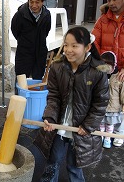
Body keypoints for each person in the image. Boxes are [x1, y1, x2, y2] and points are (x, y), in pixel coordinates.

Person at [33, 27, 109, 182]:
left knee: (74, 165)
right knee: (53, 160)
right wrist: (50, 117)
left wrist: (88, 126)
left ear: (87, 47)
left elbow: (100, 104)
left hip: (81, 129)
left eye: (74, 46)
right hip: (60, 126)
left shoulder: (98, 72)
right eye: (66, 45)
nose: (68, 50)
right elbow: (53, 96)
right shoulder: (57, 67)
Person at [92, 0, 124, 146]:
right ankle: (104, 132)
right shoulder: (102, 20)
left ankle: (120, 132)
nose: (110, 3)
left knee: (121, 101)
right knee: (105, 100)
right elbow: (93, 42)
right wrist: (100, 63)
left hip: (122, 70)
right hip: (105, 69)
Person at [11, 0, 51, 80]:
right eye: (31, 2)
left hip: (40, 52)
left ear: (42, 1)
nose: (34, 5)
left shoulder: (46, 15)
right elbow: (15, 30)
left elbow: (46, 31)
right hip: (24, 53)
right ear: (28, 0)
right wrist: (24, 41)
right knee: (21, 81)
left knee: (37, 80)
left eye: (37, 2)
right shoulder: (20, 14)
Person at [99, 51, 124, 148]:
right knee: (101, 122)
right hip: (101, 106)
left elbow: (122, 91)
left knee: (110, 123)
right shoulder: (99, 76)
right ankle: (100, 137)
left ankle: (108, 139)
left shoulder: (118, 77)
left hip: (113, 107)